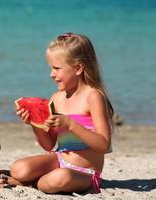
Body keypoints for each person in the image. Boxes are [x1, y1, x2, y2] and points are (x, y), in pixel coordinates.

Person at [9, 33, 114, 194]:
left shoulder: (93, 96)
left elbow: (104, 145)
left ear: (78, 68)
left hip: (84, 172)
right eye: (50, 68)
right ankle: (29, 180)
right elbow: (49, 145)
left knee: (59, 178)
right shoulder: (56, 98)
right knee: (18, 168)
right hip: (58, 160)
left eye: (57, 68)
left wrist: (71, 124)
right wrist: (34, 123)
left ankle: (33, 182)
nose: (52, 74)